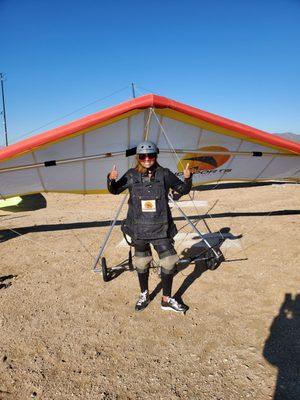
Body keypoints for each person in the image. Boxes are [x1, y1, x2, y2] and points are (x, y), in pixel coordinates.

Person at [107, 140, 192, 313]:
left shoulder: (165, 174)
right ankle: (144, 294)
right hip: (139, 228)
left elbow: (183, 189)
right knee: (141, 262)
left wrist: (188, 178)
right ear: (138, 158)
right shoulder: (131, 175)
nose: (147, 159)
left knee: (169, 261)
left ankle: (166, 299)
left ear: (155, 156)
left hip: (161, 228)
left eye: (150, 155)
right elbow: (115, 190)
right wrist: (110, 180)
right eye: (143, 156)